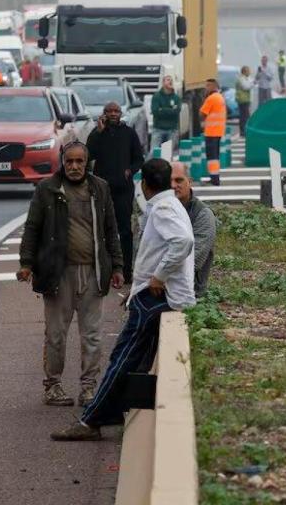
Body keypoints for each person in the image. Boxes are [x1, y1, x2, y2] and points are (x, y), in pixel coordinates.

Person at [51, 158, 195, 441]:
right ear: (167, 181)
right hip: (159, 296)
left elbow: (182, 242)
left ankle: (90, 421)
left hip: (157, 298)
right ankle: (114, 411)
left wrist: (158, 278)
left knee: (122, 358)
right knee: (136, 359)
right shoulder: (170, 205)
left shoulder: (164, 208)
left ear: (144, 184)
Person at [17, 141, 125, 407]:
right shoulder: (47, 189)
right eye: (69, 162)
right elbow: (32, 228)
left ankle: (88, 388)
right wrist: (26, 263)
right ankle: (53, 386)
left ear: (87, 163)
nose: (74, 167)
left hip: (92, 273)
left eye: (79, 162)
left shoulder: (100, 188)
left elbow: (111, 229)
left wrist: (119, 266)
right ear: (62, 162)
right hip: (58, 275)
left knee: (92, 335)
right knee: (55, 334)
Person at [87, 102, 144, 284]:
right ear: (103, 114)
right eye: (109, 111)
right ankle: (104, 271)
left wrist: (130, 171)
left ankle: (126, 271)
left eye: (115, 111)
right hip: (101, 190)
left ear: (121, 113)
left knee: (125, 231)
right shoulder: (98, 133)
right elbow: (88, 155)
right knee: (101, 231)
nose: (112, 114)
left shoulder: (129, 133)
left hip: (123, 189)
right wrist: (98, 132)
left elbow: (139, 159)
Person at [170, 161, 217, 298]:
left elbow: (194, 261)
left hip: (190, 292)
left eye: (179, 180)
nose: (173, 185)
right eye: (169, 181)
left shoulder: (203, 214)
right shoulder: (161, 210)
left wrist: (157, 276)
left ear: (189, 182)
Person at [199, 79, 226, 186]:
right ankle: (215, 178)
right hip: (218, 131)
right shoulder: (220, 97)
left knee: (212, 157)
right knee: (215, 156)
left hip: (211, 132)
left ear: (213, 86)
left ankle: (214, 179)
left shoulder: (211, 98)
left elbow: (202, 113)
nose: (206, 88)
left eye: (207, 86)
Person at [150, 75, 181, 150]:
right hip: (158, 129)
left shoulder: (176, 97)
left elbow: (176, 112)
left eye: (171, 80)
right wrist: (170, 110)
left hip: (172, 129)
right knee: (154, 152)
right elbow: (155, 111)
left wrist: (162, 109)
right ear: (163, 83)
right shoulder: (156, 96)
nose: (170, 81)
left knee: (167, 153)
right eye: (167, 80)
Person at [236, 66, 254, 136]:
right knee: (245, 116)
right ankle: (243, 131)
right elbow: (246, 87)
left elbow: (250, 82)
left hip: (246, 99)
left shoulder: (246, 78)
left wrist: (253, 82)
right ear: (244, 72)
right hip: (243, 100)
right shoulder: (241, 79)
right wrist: (253, 83)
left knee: (245, 116)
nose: (249, 72)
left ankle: (244, 130)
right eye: (248, 71)